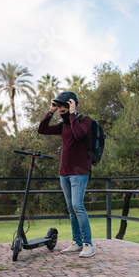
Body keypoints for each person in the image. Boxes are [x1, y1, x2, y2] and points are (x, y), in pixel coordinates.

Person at [38, 91, 95, 257]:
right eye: (59, 105)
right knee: (71, 209)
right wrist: (51, 111)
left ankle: (88, 244)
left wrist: (73, 114)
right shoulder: (64, 125)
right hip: (64, 172)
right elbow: (42, 129)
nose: (61, 108)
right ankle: (76, 243)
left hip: (79, 172)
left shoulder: (85, 121)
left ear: (72, 104)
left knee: (78, 206)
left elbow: (79, 134)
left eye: (64, 105)